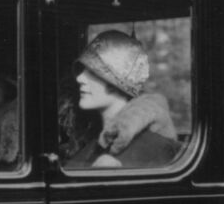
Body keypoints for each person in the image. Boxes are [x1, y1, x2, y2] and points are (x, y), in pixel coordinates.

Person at [66, 30, 181, 169]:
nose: (79, 78)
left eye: (92, 72)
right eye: (83, 70)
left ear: (117, 82)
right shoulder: (91, 147)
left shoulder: (152, 148)